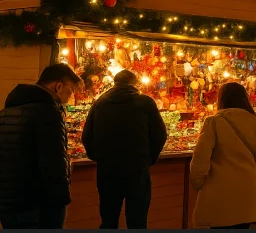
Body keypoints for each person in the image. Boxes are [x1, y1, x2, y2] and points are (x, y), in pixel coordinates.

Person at [82, 69, 168, 228]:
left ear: (115, 83)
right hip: (137, 169)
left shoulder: (99, 103)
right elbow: (160, 134)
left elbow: (86, 137)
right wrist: (148, 159)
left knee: (108, 219)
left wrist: (99, 158)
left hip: (107, 170)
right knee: (137, 220)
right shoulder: (145, 102)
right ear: (135, 84)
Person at [0, 63, 81, 229]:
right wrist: (62, 199)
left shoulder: (6, 112)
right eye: (71, 90)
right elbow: (53, 162)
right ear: (59, 87)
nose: (71, 96)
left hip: (8, 203)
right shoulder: (49, 113)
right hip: (39, 206)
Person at [190, 82, 256, 228]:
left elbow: (200, 159)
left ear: (221, 100)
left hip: (219, 194)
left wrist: (198, 183)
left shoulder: (213, 122)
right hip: (248, 194)